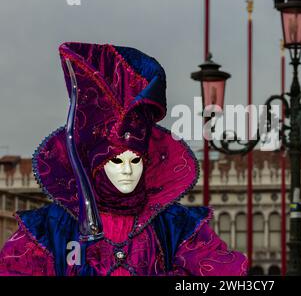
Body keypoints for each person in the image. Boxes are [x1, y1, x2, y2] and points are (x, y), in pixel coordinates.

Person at [0, 42, 248, 276]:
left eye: (136, 160)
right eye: (117, 161)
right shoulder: (52, 228)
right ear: (96, 166)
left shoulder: (174, 226)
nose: (128, 170)